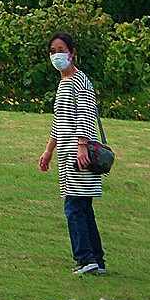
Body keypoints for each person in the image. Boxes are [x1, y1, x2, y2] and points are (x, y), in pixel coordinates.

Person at [38, 32, 105, 275]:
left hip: (79, 153)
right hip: (67, 153)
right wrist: (48, 151)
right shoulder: (63, 83)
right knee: (82, 206)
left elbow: (87, 114)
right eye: (52, 51)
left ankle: (85, 258)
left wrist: (82, 144)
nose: (57, 55)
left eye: (61, 49)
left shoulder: (80, 80)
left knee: (74, 206)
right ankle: (96, 258)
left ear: (72, 52)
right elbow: (60, 122)